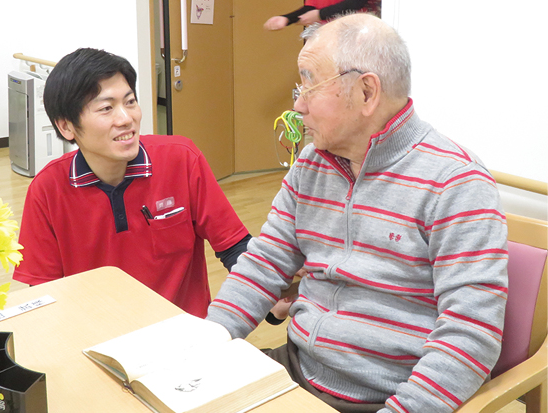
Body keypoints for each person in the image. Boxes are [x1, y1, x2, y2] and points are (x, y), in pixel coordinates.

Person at [207, 13, 508, 413]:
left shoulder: (456, 183)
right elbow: (263, 263)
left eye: (309, 83)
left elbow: (472, 335)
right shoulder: (313, 163)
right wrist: (206, 346)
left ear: (366, 92)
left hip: (387, 396)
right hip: (299, 370)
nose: (297, 105)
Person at [12, 48, 251, 318]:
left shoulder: (181, 159)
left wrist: (267, 299)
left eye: (130, 101)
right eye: (106, 108)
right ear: (66, 127)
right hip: (97, 346)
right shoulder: (47, 191)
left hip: (183, 338)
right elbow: (46, 296)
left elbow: (235, 247)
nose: (126, 119)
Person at [263, 0, 380, 31]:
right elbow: (311, 7)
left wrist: (321, 14)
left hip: (360, 30)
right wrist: (287, 19)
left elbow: (356, 2)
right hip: (331, 33)